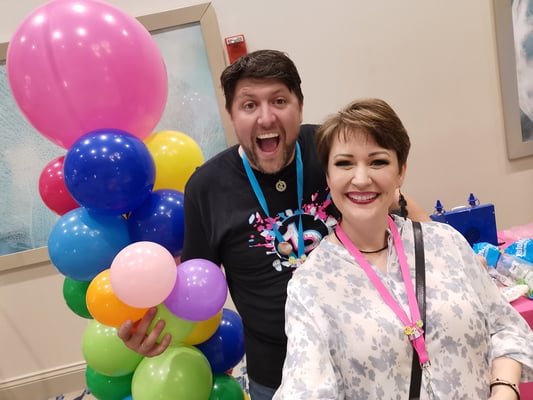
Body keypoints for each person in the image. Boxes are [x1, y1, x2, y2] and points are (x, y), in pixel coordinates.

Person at [118, 50, 430, 400]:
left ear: (300, 106)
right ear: (231, 115)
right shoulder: (206, 188)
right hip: (276, 374)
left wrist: (444, 258)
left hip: (372, 354)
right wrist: (156, 331)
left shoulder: (330, 149)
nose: (266, 118)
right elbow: (196, 285)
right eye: (249, 105)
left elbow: (395, 200)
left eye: (279, 101)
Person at [272, 98, 533, 399]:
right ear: (328, 177)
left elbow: (505, 327)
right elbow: (305, 389)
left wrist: (504, 390)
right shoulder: (311, 285)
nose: (361, 179)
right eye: (344, 163)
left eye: (378, 161)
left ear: (401, 172)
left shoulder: (444, 243)